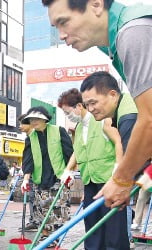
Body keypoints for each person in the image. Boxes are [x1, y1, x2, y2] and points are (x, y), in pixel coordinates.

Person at [42, 0, 152, 208]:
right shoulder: (123, 38)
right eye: (56, 27)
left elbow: (150, 120)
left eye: (64, 22)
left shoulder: (133, 32)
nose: (62, 35)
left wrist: (121, 178)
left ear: (96, 4)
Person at [80, 71, 149, 245]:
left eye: (93, 102)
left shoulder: (129, 115)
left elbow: (134, 156)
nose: (90, 109)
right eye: (87, 104)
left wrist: (120, 181)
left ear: (112, 95)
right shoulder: (124, 109)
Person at [58, 88, 129, 249]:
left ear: (79, 106)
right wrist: (68, 170)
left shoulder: (102, 120)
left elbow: (118, 142)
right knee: (92, 224)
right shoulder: (78, 128)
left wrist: (118, 170)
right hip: (90, 181)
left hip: (108, 180)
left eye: (69, 113)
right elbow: (78, 151)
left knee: (113, 226)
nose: (68, 117)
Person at [20, 106, 73, 247]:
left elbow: (70, 153)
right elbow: (28, 160)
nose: (34, 121)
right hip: (40, 180)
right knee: (42, 212)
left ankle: (55, 241)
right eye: (31, 119)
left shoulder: (58, 131)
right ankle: (46, 241)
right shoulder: (31, 138)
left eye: (37, 118)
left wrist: (70, 172)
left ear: (45, 119)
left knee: (57, 212)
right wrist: (25, 180)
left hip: (58, 177)